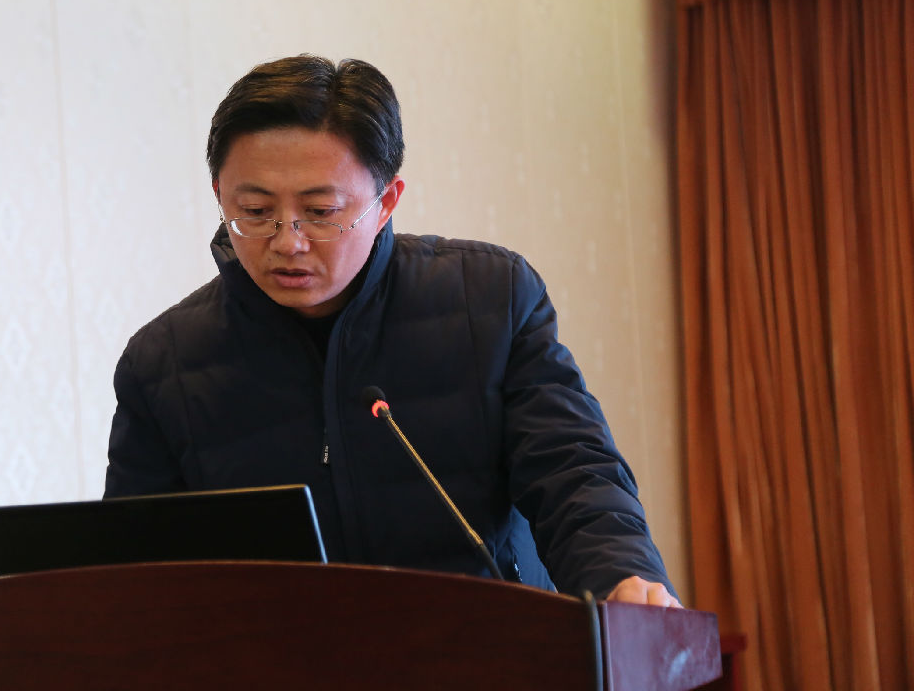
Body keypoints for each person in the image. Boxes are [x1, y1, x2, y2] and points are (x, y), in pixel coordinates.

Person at [105, 54, 680, 607]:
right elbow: (134, 572)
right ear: (219, 196)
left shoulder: (489, 301)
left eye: (321, 212)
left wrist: (621, 576)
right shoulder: (163, 364)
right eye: (255, 212)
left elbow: (572, 470)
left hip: (489, 647)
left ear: (386, 202)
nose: (287, 241)